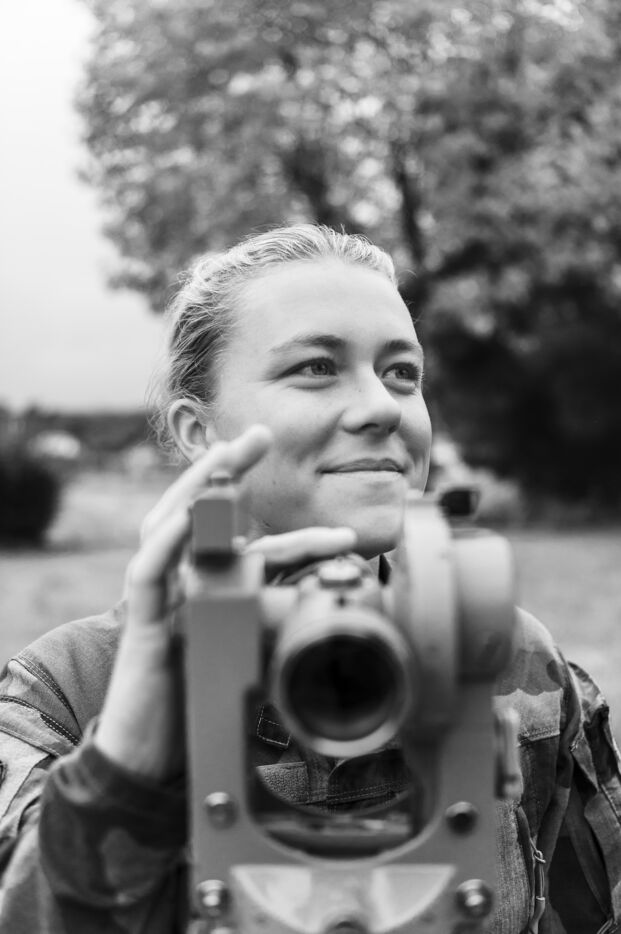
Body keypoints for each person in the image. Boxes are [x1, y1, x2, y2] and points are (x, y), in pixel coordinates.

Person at [0, 225, 619, 934]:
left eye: (402, 373)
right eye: (316, 367)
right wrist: (129, 761)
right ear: (200, 432)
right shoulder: (65, 694)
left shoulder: (514, 663)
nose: (382, 406)